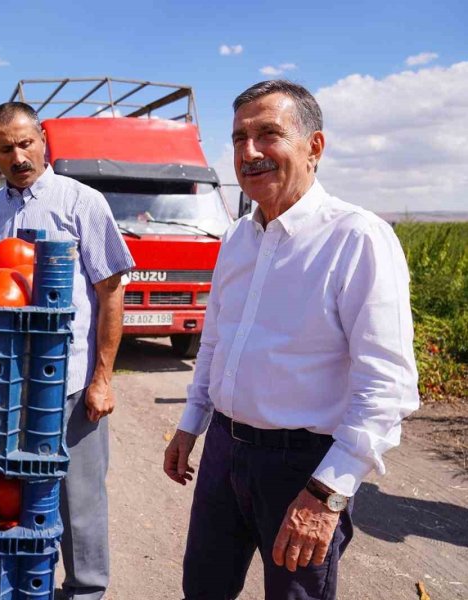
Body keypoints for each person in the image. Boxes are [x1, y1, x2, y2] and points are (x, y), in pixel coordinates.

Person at [163, 80, 419, 599]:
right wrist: (191, 426)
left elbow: (387, 386)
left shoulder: (356, 238)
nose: (249, 152)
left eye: (267, 134)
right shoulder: (238, 238)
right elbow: (215, 341)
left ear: (314, 147)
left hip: (303, 466)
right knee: (203, 590)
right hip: (224, 453)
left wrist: (327, 494)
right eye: (238, 138)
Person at [0, 102, 135, 600]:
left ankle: (85, 592)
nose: (18, 156)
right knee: (6, 488)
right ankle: (17, 585)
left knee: (78, 499)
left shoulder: (82, 201)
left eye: (25, 142)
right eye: (4, 148)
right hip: (4, 384)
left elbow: (111, 291)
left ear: (43, 137)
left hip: (69, 381)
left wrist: (103, 378)